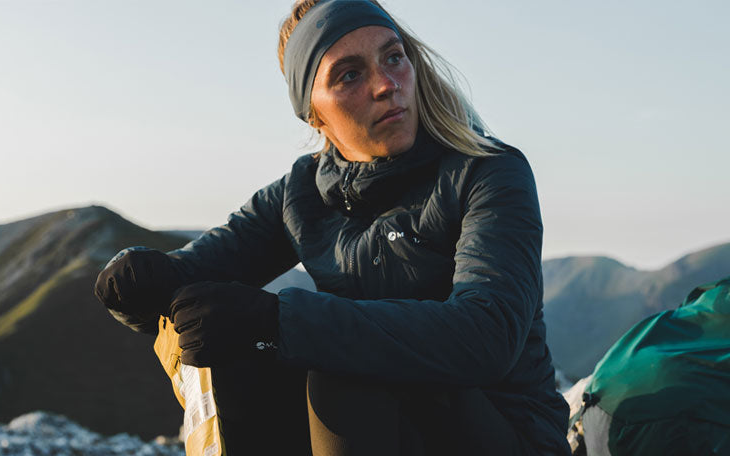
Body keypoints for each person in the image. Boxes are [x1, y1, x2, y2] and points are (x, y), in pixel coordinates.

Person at [94, 0, 571, 454]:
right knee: (241, 351)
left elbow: (487, 334)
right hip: (382, 432)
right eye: (349, 75)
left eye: (394, 57)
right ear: (314, 113)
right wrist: (138, 284)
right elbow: (192, 277)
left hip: (508, 431)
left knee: (337, 368)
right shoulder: (301, 195)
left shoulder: (486, 171)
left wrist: (278, 322)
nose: (387, 85)